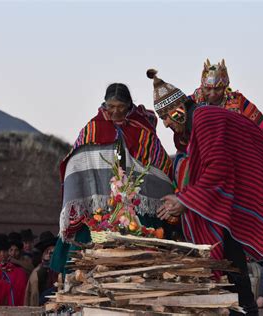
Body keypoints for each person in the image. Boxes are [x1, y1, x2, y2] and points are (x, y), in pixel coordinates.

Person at [147, 69, 263, 315]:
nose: (167, 124)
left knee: (230, 251)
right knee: (230, 251)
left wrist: (185, 200)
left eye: (167, 117)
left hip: (256, 180)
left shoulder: (204, 120)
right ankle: (242, 307)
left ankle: (243, 307)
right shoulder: (198, 123)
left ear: (178, 109)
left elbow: (218, 169)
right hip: (240, 186)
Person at [51, 83, 174, 275]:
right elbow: (77, 161)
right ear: (104, 104)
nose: (115, 111)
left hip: (136, 204)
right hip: (98, 203)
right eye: (111, 106)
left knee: (142, 244)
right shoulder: (92, 129)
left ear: (129, 106)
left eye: (121, 107)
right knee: (86, 247)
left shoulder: (142, 131)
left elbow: (160, 164)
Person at [25, 231, 58, 306]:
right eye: (47, 252)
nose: (50, 255)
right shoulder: (37, 271)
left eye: (53, 252)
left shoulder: (59, 269)